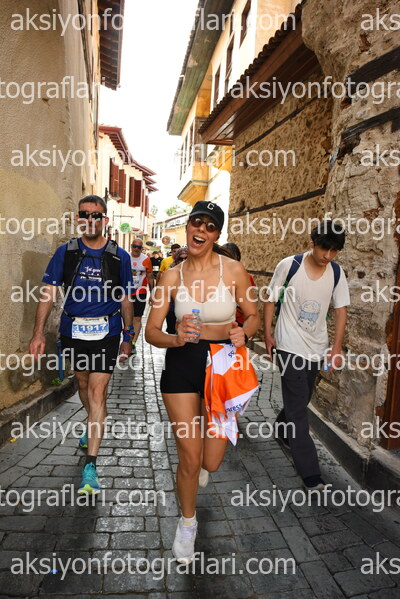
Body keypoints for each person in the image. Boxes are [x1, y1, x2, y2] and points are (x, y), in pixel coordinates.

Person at [145, 200, 259, 564]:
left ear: (216, 235)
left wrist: (244, 332)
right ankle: (187, 523)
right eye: (197, 222)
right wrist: (175, 337)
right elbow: (150, 332)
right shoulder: (170, 276)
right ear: (188, 226)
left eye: (210, 226)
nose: (201, 230)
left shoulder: (235, 271)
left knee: (211, 460)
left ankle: (200, 473)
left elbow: (253, 315)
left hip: (223, 366)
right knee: (190, 457)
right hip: (182, 364)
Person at [29, 195, 134, 494]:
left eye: (96, 215)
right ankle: (93, 421)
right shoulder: (66, 252)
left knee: (98, 391)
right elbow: (48, 293)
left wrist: (128, 336)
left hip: (107, 332)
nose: (90, 220)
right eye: (85, 214)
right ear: (78, 218)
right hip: (74, 332)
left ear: (105, 220)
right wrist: (38, 333)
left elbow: (126, 298)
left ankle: (91, 467)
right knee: (84, 385)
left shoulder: (120, 257)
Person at [263, 220, 350, 492]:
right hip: (288, 345)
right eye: (324, 249)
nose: (328, 255)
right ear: (312, 243)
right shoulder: (289, 266)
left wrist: (336, 348)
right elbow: (270, 300)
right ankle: (311, 474)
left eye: (334, 251)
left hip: (316, 348)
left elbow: (341, 311)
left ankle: (281, 428)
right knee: (299, 410)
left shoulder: (336, 273)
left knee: (301, 398)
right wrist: (268, 334)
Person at [130, 239, 154, 355]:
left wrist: (152, 294)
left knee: (137, 318)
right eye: (134, 246)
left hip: (140, 292)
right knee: (126, 318)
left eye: (139, 247)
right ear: (131, 246)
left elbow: (150, 277)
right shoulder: (125, 257)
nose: (136, 249)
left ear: (142, 248)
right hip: (126, 292)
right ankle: (126, 340)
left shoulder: (146, 259)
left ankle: (133, 343)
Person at [223, 242, 256, 327]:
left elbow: (249, 301)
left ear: (237, 257)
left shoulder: (246, 277)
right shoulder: (215, 277)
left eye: (231, 257)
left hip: (239, 321)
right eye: (224, 257)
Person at [165, 247, 188, 334]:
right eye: (181, 259)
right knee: (171, 330)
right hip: (172, 306)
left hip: (187, 306)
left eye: (186, 258)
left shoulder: (196, 272)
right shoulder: (171, 271)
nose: (183, 261)